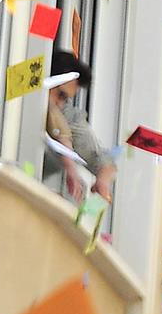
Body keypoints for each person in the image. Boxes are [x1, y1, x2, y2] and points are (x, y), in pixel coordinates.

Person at [43, 49, 114, 202]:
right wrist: (70, 168)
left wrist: (102, 181)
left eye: (66, 99)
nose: (60, 104)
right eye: (60, 95)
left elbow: (102, 159)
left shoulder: (67, 114)